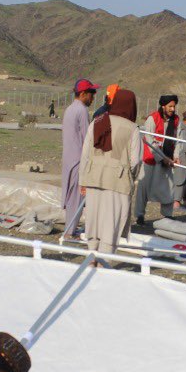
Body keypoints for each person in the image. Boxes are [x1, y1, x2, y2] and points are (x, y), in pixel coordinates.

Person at [78, 88, 142, 255]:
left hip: (93, 178)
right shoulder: (132, 128)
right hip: (118, 182)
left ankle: (92, 255)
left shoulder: (97, 122)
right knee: (111, 222)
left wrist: (82, 180)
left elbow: (85, 154)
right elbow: (136, 161)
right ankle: (104, 260)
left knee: (94, 218)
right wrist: (131, 177)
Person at [61, 78, 99, 238]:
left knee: (72, 195)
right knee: (77, 196)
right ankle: (70, 231)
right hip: (78, 159)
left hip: (68, 157)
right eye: (91, 94)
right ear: (83, 94)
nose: (93, 98)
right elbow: (86, 137)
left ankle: (70, 228)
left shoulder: (70, 109)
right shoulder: (82, 111)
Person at [135, 95, 179, 225]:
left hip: (168, 158)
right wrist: (162, 158)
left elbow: (177, 140)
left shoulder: (176, 120)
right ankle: (139, 215)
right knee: (143, 188)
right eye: (170, 106)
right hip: (151, 158)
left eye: (174, 106)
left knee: (168, 186)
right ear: (163, 106)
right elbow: (149, 140)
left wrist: (176, 156)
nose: (172, 109)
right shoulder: (152, 119)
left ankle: (167, 214)